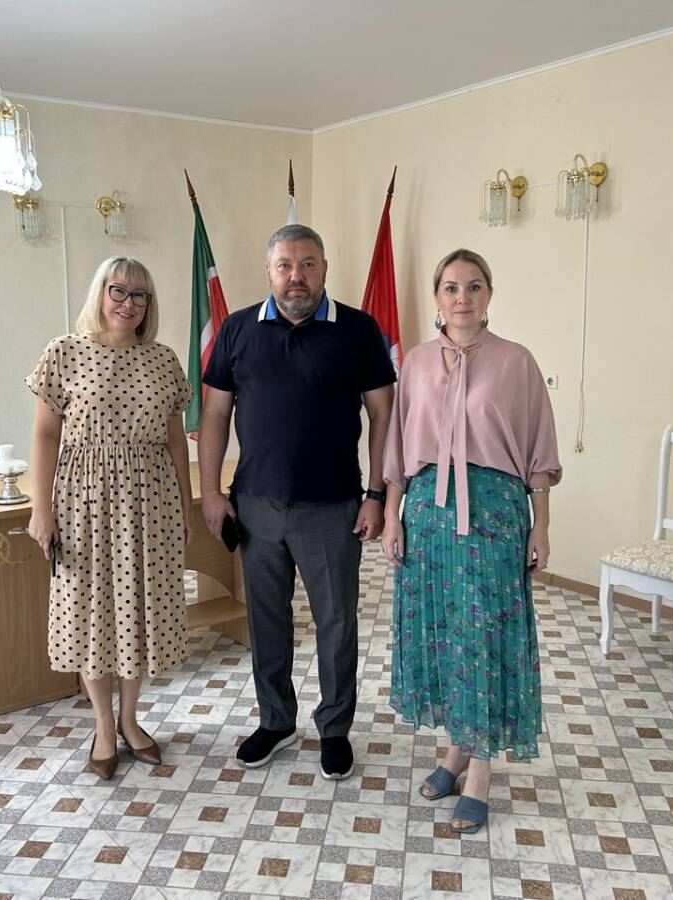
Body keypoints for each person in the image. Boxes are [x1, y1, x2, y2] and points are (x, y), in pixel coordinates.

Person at [198, 224, 396, 780]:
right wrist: (211, 492)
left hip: (334, 507)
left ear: (324, 268)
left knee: (336, 623)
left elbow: (383, 414)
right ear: (268, 270)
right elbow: (214, 415)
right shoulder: (237, 330)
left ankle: (334, 728)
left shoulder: (358, 330)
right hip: (255, 506)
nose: (296, 276)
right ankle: (276, 721)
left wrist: (376, 495)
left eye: (308, 264)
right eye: (285, 265)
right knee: (266, 620)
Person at [382, 248, 561, 834]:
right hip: (429, 516)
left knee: (485, 633)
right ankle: (457, 748)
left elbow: (537, 451)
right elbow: (397, 447)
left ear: (489, 294)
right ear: (437, 296)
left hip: (493, 516)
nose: (463, 297)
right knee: (445, 632)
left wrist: (541, 523)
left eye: (475, 286)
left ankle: (480, 769)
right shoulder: (415, 363)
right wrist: (392, 517)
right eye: (452, 287)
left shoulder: (517, 362)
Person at [25, 256, 193, 780]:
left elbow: (175, 441)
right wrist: (40, 508)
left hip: (151, 502)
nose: (128, 303)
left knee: (139, 609)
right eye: (118, 291)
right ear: (100, 292)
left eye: (140, 295)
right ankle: (102, 724)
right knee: (89, 610)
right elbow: (45, 435)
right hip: (83, 502)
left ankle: (130, 718)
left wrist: (184, 506)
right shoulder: (64, 352)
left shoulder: (163, 359)